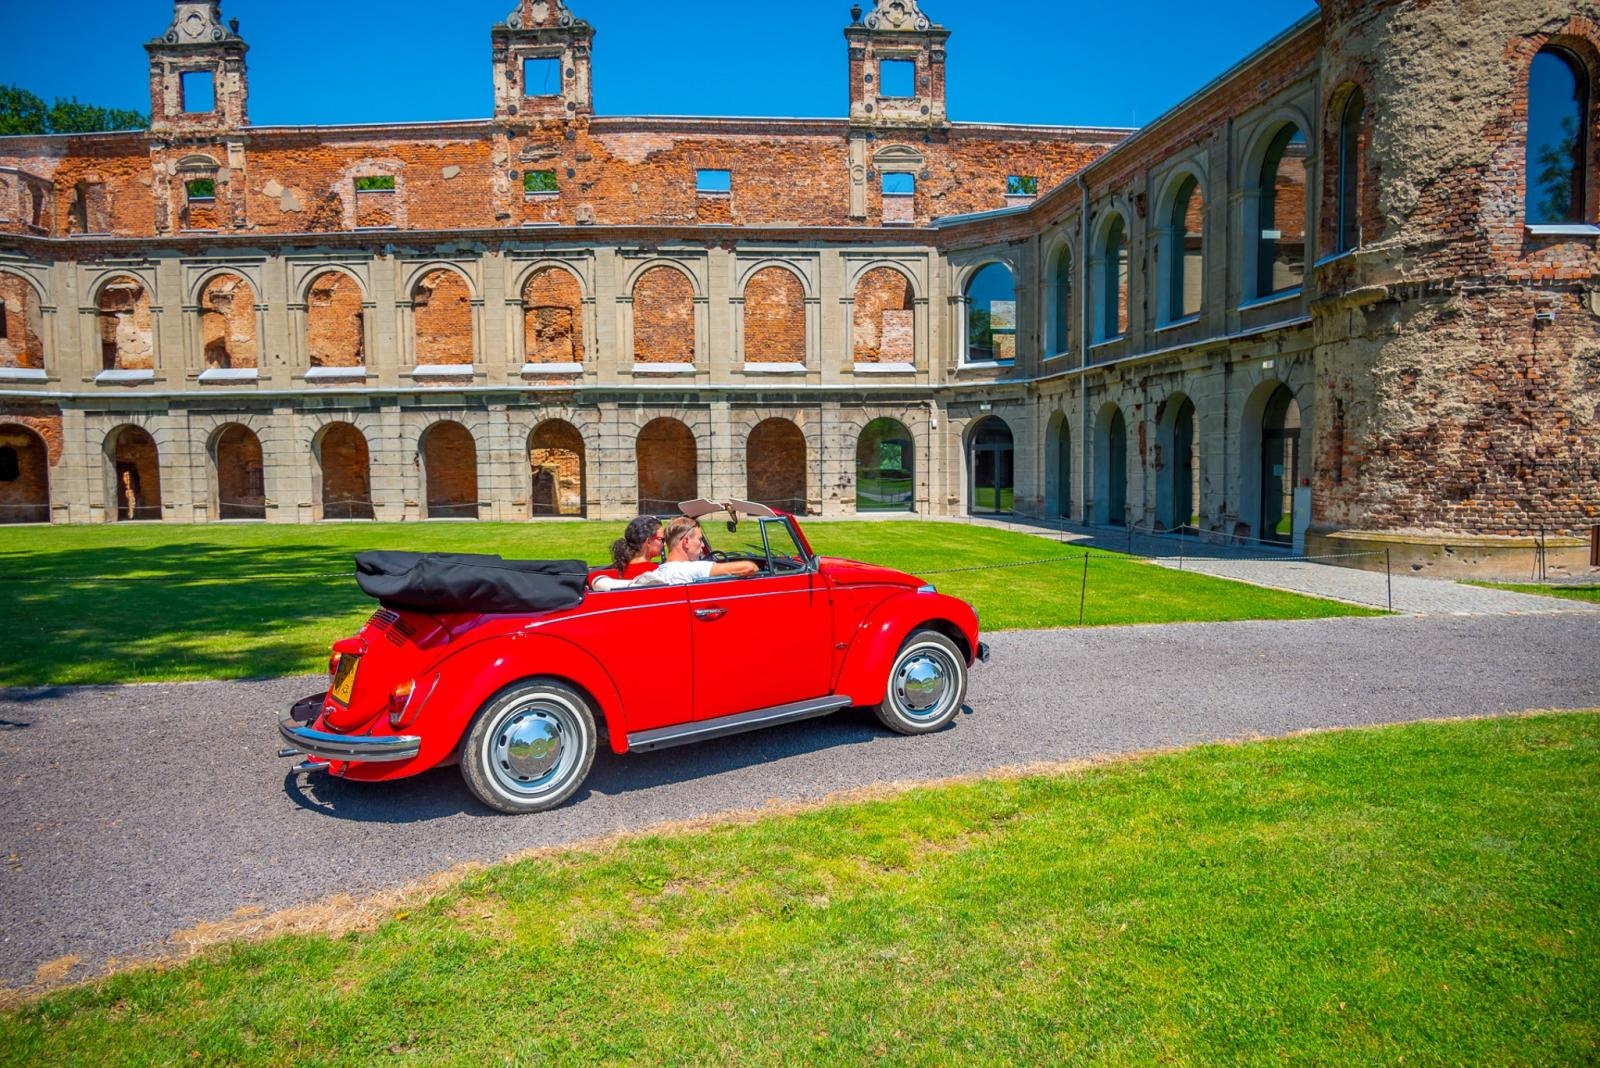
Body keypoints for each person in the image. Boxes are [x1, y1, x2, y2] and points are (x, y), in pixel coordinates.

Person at [632, 516, 758, 585]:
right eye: (699, 540)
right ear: (686, 542)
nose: (703, 545)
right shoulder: (693, 569)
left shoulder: (659, 570)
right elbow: (749, 567)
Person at [591, 515, 665, 591]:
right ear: (648, 541)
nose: (664, 544)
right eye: (662, 539)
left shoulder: (616, 572)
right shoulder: (658, 572)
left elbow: (591, 576)